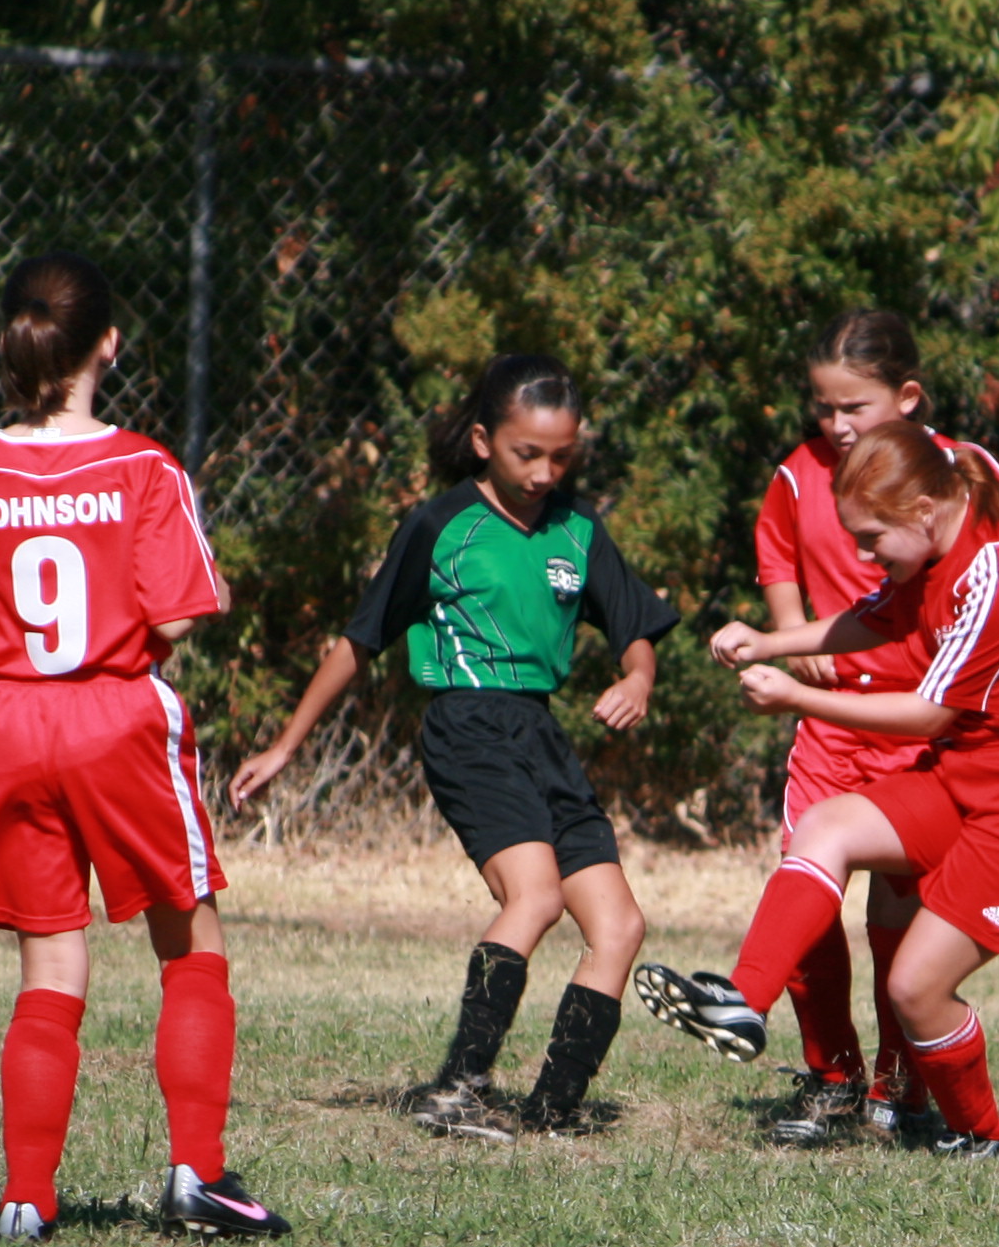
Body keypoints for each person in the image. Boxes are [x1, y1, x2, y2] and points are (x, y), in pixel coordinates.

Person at [634, 418, 999, 1157]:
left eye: (871, 539)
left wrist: (797, 697)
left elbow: (928, 713)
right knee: (825, 827)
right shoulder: (944, 505)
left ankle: (981, 1137)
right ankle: (742, 1000)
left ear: (922, 510)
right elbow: (878, 618)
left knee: (916, 988)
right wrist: (772, 641)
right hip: (968, 767)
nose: (863, 555)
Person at [0, 252, 285, 1242]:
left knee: (50, 966)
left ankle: (25, 1199)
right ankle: (198, 1176)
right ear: (109, 345)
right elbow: (172, 616)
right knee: (190, 943)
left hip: (9, 720)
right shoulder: (142, 467)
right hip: (115, 714)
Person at [231, 352, 678, 1137]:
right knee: (535, 898)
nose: (544, 473)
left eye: (561, 457)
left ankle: (553, 1112)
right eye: (526, 453)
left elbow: (634, 626)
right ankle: (458, 1088)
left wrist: (638, 677)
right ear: (482, 441)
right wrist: (286, 746)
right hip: (469, 725)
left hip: (542, 734)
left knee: (620, 927)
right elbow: (360, 640)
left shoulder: (577, 529)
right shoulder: (442, 526)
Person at [753, 308, 999, 1146]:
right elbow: (776, 555)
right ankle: (830, 1075)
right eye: (823, 407)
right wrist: (791, 636)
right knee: (803, 888)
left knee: (900, 921)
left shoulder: (956, 471)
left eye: (854, 407)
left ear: (906, 398)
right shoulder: (799, 473)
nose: (836, 425)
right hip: (834, 728)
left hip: (918, 728)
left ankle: (897, 1088)